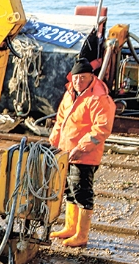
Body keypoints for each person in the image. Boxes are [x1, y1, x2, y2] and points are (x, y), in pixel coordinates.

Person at [48, 58, 116, 248]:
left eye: (83, 77)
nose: (78, 81)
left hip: (85, 156)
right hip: (66, 152)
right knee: (70, 190)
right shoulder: (70, 93)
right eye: (76, 77)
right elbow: (60, 120)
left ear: (91, 77)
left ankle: (82, 235)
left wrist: (82, 148)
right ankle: (70, 228)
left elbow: (101, 128)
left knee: (82, 193)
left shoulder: (99, 98)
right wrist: (53, 142)